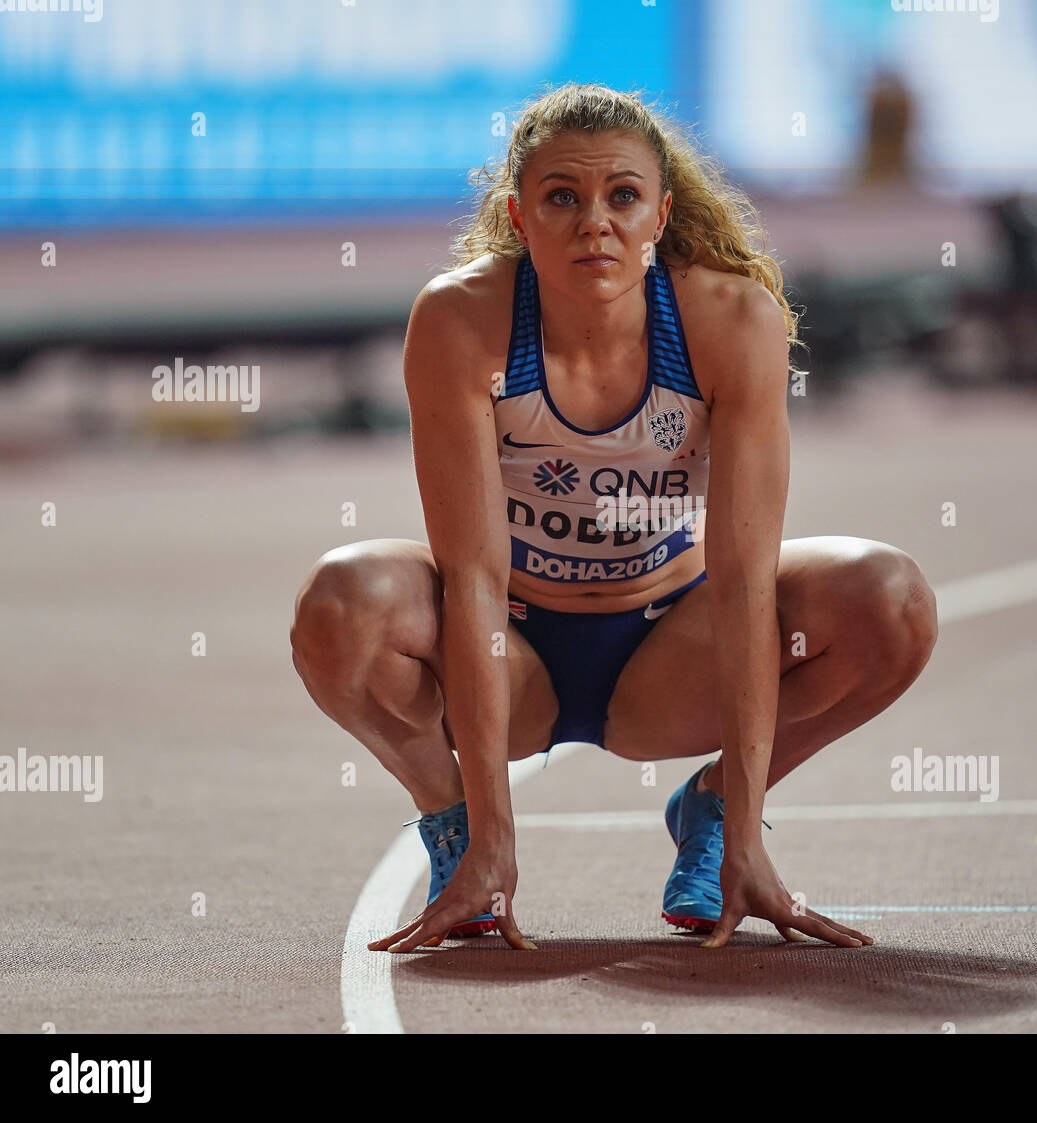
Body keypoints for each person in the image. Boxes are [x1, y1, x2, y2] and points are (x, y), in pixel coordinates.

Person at [290, 83, 938, 953]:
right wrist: (493, 830)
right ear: (519, 217)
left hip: (672, 651)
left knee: (890, 599)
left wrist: (747, 825)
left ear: (659, 215)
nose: (594, 222)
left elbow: (745, 578)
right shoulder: (460, 321)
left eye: (621, 197)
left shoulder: (731, 319)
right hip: (511, 654)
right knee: (340, 603)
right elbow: (474, 578)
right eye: (562, 197)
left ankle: (709, 812)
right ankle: (449, 824)